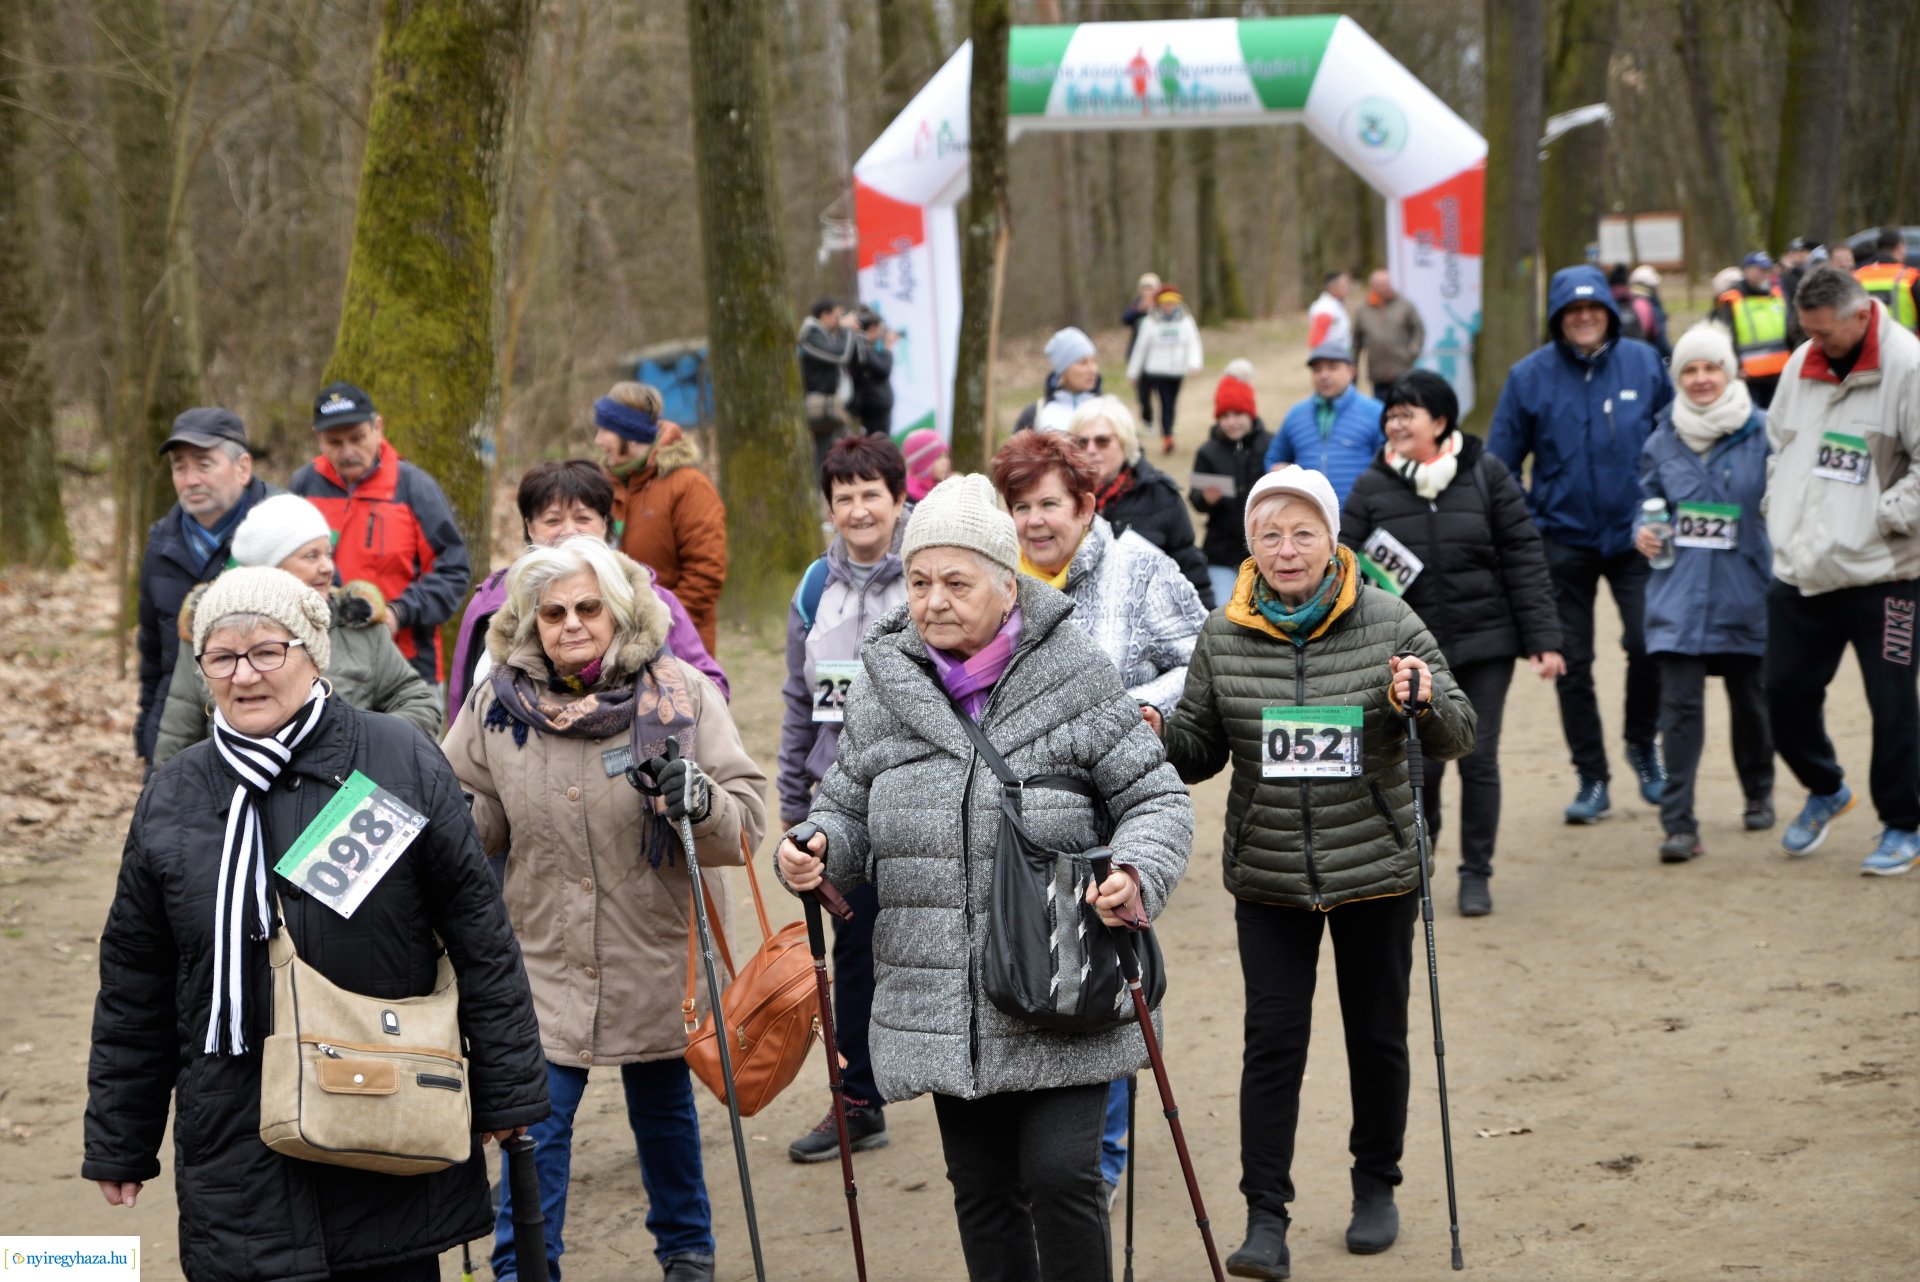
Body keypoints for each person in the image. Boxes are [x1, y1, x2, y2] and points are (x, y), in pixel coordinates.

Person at [776, 473, 1194, 1282]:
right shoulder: (886, 681)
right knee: (982, 1189)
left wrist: (1136, 870)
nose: (933, 601)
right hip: (942, 990)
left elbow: (1156, 798)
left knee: (1061, 1174)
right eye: (919, 580)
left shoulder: (1073, 670)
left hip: (1061, 979)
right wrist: (816, 845)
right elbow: (846, 806)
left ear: (1007, 585)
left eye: (956, 582)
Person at [86, 567, 549, 1282]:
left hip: (384, 1122)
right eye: (222, 656)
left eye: (266, 651)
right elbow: (135, 982)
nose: (244, 675)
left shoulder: (396, 759)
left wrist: (505, 1087)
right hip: (236, 1144)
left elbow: (478, 931)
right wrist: (122, 1136)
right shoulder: (174, 795)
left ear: (312, 654)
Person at [1160, 467, 1475, 1278]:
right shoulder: (1223, 634)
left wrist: (1421, 699)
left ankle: (1376, 1184)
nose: (1287, 549)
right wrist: (1159, 732)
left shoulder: (1387, 618)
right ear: (1249, 546)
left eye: (1304, 532)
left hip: (1375, 867)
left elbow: (1458, 732)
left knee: (1377, 1036)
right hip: (1269, 874)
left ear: (1332, 540)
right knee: (1272, 1044)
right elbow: (1199, 749)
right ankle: (1265, 1216)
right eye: (1270, 535)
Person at [444, 535, 767, 1282]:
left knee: (662, 1106)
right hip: (545, 952)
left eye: (588, 608)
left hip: (655, 948)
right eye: (552, 612)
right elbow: (476, 810)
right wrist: (449, 817)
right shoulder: (495, 704)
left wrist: (700, 801)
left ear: (619, 612)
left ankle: (687, 1251)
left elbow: (746, 825)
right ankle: (524, 1266)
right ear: (530, 621)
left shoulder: (682, 693)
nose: (571, 625)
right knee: (535, 1119)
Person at [992, 428, 1207, 1203]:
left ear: (1086, 506)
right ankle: (1035, 1138)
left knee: (1102, 978)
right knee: (1028, 971)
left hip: (1114, 809)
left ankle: (1101, 1156)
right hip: (1020, 822)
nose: (1035, 521)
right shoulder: (996, 585)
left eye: (1050, 504)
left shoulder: (1138, 569)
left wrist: (1143, 709)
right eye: (1021, 507)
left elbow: (1201, 657)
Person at [1340, 371, 1564, 916]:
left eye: (1407, 414)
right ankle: (1423, 861)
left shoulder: (1487, 475)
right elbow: (1344, 568)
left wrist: (1543, 638)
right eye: (1391, 415)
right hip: (1411, 652)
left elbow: (1523, 556)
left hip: (1486, 643)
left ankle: (1476, 872)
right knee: (1425, 764)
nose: (1396, 424)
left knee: (1479, 758)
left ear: (1440, 421)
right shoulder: (1371, 487)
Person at [1488, 264, 1674, 823]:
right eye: (1573, 310)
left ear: (1610, 313)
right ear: (1557, 318)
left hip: (1635, 537)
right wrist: (1531, 522)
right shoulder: (1528, 377)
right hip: (1562, 540)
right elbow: (1500, 465)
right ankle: (1592, 777)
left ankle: (1642, 743)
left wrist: (1657, 508)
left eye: (1594, 308)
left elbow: (1672, 441)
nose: (1585, 317)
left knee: (1649, 643)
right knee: (1570, 661)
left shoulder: (1645, 363)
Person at [777, 437, 911, 1164]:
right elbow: (799, 700)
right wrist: (792, 798)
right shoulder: (813, 587)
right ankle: (858, 1099)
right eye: (844, 497)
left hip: (921, 796)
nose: (858, 510)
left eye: (871, 494)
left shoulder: (927, 574)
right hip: (841, 805)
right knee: (851, 954)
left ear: (898, 498)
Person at [1764, 265, 1920, 876]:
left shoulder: (1908, 366)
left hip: (1887, 574)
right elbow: (1779, 446)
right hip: (1803, 567)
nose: (1815, 343)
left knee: (1892, 704)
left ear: (1861, 316)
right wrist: (1776, 505)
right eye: (1808, 331)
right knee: (1782, 692)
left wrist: (1887, 514)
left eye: (1825, 333)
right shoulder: (1801, 363)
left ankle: (1903, 824)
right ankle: (1825, 786)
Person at [152, 494, 442, 766]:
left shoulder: (356, 625)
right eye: (311, 556)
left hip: (342, 796)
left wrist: (362, 752)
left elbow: (418, 703)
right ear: (269, 568)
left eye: (328, 554)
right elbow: (178, 739)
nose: (327, 567)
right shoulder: (211, 631)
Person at [1633, 325, 1776, 864]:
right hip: (1679, 596)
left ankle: (1758, 790)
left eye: (1710, 367)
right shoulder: (1661, 439)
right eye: (1689, 370)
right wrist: (1642, 531)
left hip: (1747, 591)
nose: (1700, 379)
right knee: (1679, 713)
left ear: (1728, 371)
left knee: (1752, 704)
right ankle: (1679, 826)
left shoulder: (1765, 431)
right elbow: (1646, 501)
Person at [448, 460, 725, 720]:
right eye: (553, 521)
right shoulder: (490, 603)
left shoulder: (651, 602)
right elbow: (463, 707)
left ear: (605, 523)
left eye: (583, 518)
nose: (569, 531)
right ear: (530, 527)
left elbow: (710, 690)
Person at [290, 382, 472, 686]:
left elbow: (453, 571)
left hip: (407, 663)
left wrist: (398, 613)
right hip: (322, 662)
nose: (348, 451)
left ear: (378, 427)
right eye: (334, 442)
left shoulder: (414, 488)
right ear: (318, 438)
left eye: (357, 438)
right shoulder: (303, 485)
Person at [136, 407, 278, 764]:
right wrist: (147, 731)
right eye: (179, 467)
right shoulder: (160, 545)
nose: (190, 480)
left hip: (266, 736)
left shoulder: (286, 534)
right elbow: (153, 653)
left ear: (243, 468)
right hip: (178, 739)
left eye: (204, 465)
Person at [594, 382, 729, 655]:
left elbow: (705, 574)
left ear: (631, 436)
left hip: (678, 648)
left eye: (605, 430)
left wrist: (658, 628)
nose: (598, 440)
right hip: (616, 648)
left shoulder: (689, 486)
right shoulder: (603, 487)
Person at [1069, 396, 1215, 607]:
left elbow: (1191, 571)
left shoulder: (1160, 495)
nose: (1091, 449)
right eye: (1082, 442)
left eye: (1102, 441)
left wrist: (1205, 621)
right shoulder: (1062, 500)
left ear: (1124, 442)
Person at [1191, 360, 1274, 607]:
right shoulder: (1208, 451)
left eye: (1237, 414)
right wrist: (1204, 499)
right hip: (1221, 552)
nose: (1231, 422)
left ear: (1250, 413)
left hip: (1265, 550)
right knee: (1224, 609)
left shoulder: (1270, 444)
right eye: (1224, 416)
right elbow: (1195, 497)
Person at [1263, 343, 1384, 506]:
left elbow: (1388, 465)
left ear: (1351, 371)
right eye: (1317, 370)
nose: (1324, 375)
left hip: (1360, 514)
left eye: (1332, 367)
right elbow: (1274, 459)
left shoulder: (1375, 412)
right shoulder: (1296, 415)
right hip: (1308, 514)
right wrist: (1282, 475)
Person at [1126, 283, 1204, 453]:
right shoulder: (1150, 322)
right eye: (1166, 302)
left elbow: (1193, 343)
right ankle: (1167, 436)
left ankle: (1168, 432)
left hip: (1177, 371)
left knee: (1171, 403)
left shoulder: (1186, 321)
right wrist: (1133, 372)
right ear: (1160, 303)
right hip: (1157, 370)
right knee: (1165, 402)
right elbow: (1141, 348)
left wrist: (1194, 364)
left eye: (1172, 302)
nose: (1169, 306)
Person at [1712, 252, 1789, 409]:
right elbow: (1726, 337)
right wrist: (1735, 367)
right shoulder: (1732, 299)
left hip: (1779, 375)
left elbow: (1790, 331)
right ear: (1747, 271)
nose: (1765, 275)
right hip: (1748, 378)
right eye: (1761, 270)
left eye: (1768, 270)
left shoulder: (1777, 295)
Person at [1352, 270, 1426, 399]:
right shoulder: (1363, 311)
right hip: (1377, 374)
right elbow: (1356, 341)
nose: (1385, 288)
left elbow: (1418, 329)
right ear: (1373, 287)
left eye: (1387, 284)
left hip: (1402, 370)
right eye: (1381, 285)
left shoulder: (1405, 306)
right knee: (1380, 408)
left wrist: (1413, 351)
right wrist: (1354, 365)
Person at [1014, 327, 1103, 433]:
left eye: (1094, 361)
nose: (1092, 369)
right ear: (1063, 370)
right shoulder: (1036, 415)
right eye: (1083, 363)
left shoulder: (1108, 411)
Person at [799, 297, 854, 464]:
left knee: (839, 451)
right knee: (825, 454)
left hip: (830, 404)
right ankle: (823, 480)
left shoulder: (826, 335)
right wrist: (846, 331)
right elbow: (841, 355)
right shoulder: (811, 335)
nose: (839, 320)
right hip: (819, 405)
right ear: (825, 315)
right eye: (837, 315)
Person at [1854, 225, 1919, 334]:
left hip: (1868, 342)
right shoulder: (1911, 277)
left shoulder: (1857, 276)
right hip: (1906, 342)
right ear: (1899, 247)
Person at [848, 306, 897, 437]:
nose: (881, 334)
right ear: (872, 328)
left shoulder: (867, 348)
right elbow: (883, 369)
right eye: (881, 330)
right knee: (877, 443)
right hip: (872, 406)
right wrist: (888, 348)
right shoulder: (861, 348)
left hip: (877, 405)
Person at [901, 426, 952, 501]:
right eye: (938, 457)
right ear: (922, 462)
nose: (946, 462)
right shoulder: (906, 498)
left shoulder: (949, 492)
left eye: (946, 456)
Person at [1307, 269, 1353, 352]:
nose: (1348, 287)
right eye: (1344, 284)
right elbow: (1316, 341)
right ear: (1333, 286)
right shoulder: (1325, 307)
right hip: (1332, 356)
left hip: (1340, 355)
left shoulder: (1335, 304)